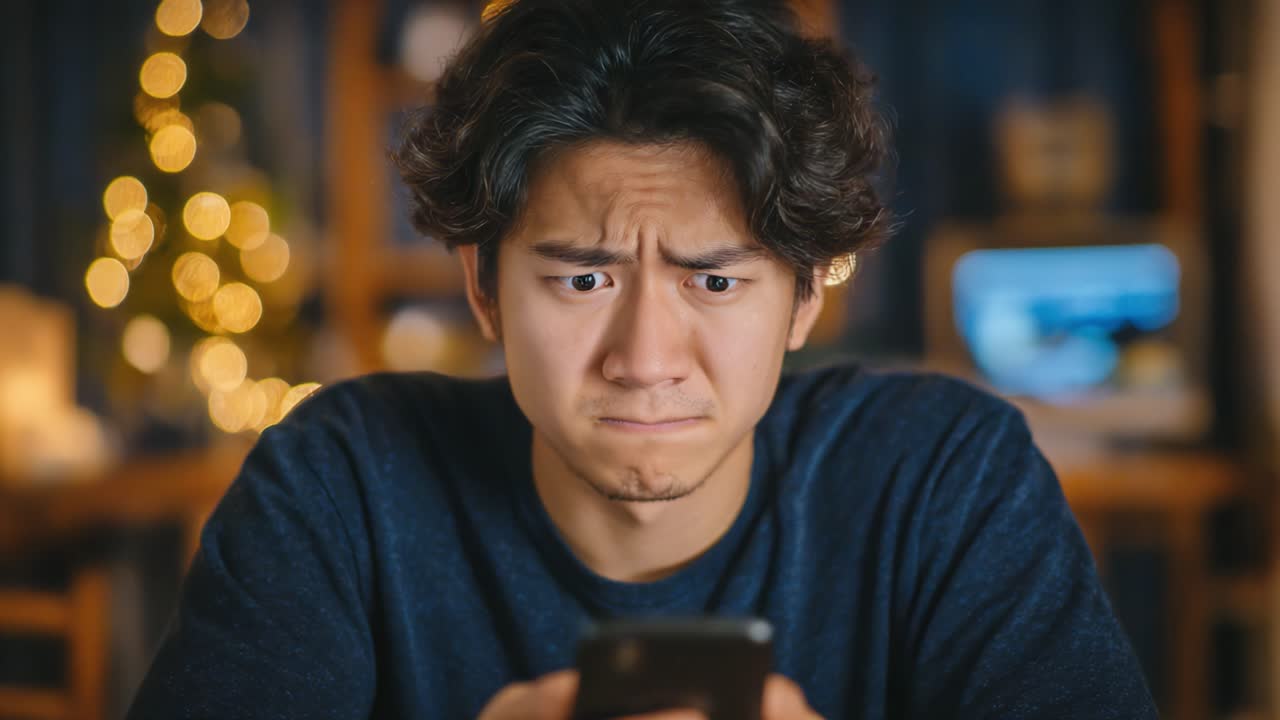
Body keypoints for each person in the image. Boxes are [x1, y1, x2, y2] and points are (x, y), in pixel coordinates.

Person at [126, 0, 1158, 718]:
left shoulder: (946, 479)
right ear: (483, 288)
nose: (645, 358)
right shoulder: (337, 484)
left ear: (802, 298)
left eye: (714, 281)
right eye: (582, 281)